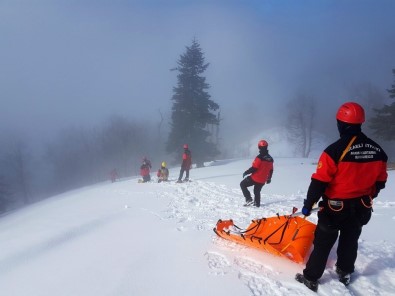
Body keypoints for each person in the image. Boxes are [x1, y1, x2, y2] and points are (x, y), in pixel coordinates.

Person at [295, 102, 388, 292]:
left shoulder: (334, 151)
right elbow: (380, 181)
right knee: (350, 240)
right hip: (361, 207)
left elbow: (319, 182)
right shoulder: (378, 151)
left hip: (335, 208)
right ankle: (345, 272)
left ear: (341, 124)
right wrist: (368, 195)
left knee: (322, 243)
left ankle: (311, 277)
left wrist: (308, 204)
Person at [240, 140, 273, 207]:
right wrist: (269, 178)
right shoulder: (271, 159)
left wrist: (246, 172)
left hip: (255, 178)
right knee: (257, 191)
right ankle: (257, 204)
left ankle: (249, 199)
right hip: (263, 180)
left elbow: (254, 168)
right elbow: (271, 170)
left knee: (242, 184)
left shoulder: (259, 157)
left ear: (259, 147)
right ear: (266, 147)